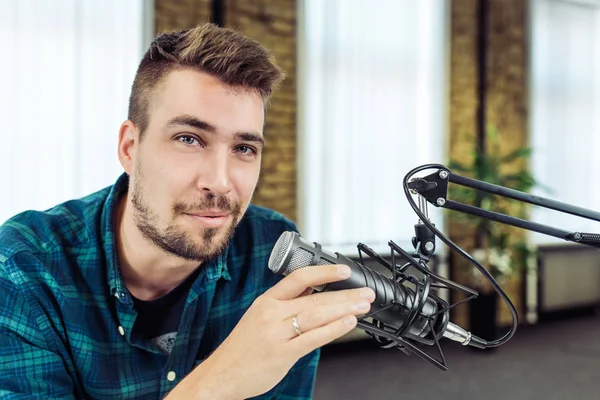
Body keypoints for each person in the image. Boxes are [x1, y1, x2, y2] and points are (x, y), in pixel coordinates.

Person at [0, 23, 375, 399]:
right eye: (189, 139)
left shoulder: (273, 254)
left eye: (244, 148)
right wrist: (216, 383)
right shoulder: (24, 270)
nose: (220, 181)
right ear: (131, 148)